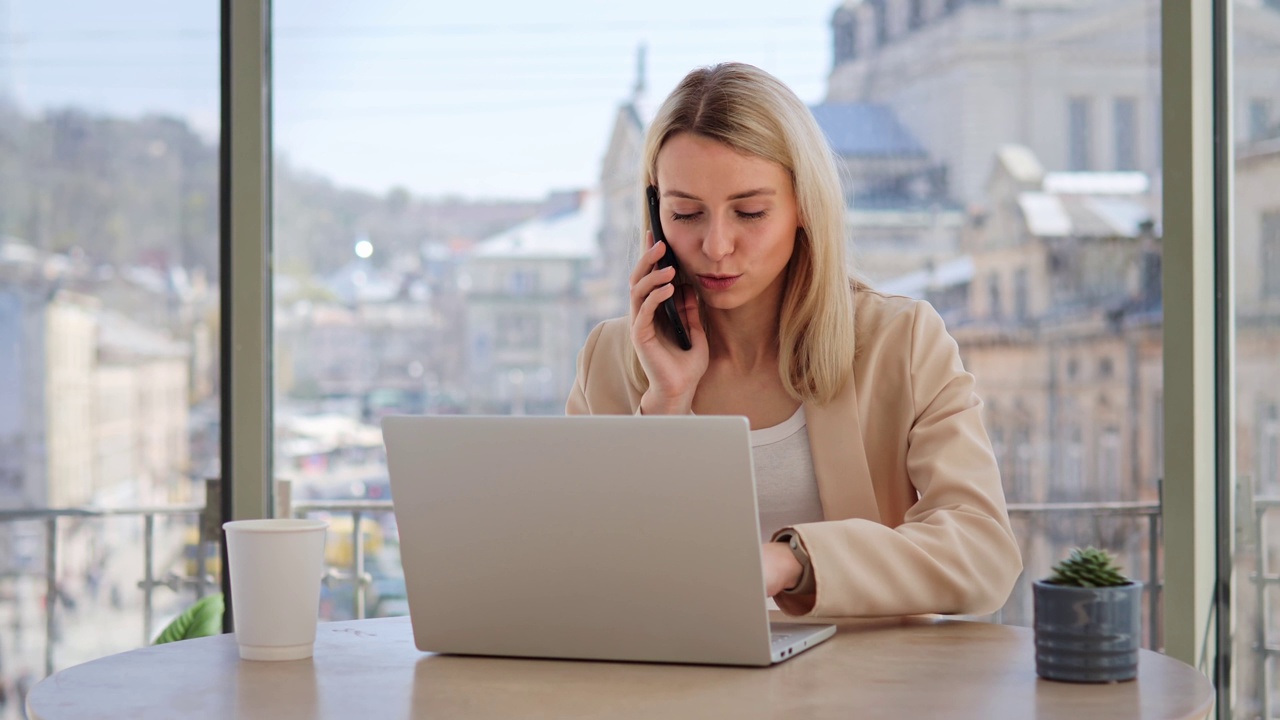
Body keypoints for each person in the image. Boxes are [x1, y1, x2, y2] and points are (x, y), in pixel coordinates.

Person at [565, 62, 1022, 618]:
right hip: (671, 686)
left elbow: (983, 552)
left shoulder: (900, 342)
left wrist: (791, 563)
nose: (716, 245)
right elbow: (586, 567)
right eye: (685, 213)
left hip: (851, 691)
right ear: (656, 213)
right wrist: (665, 408)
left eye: (750, 212)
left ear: (804, 205)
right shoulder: (610, 359)